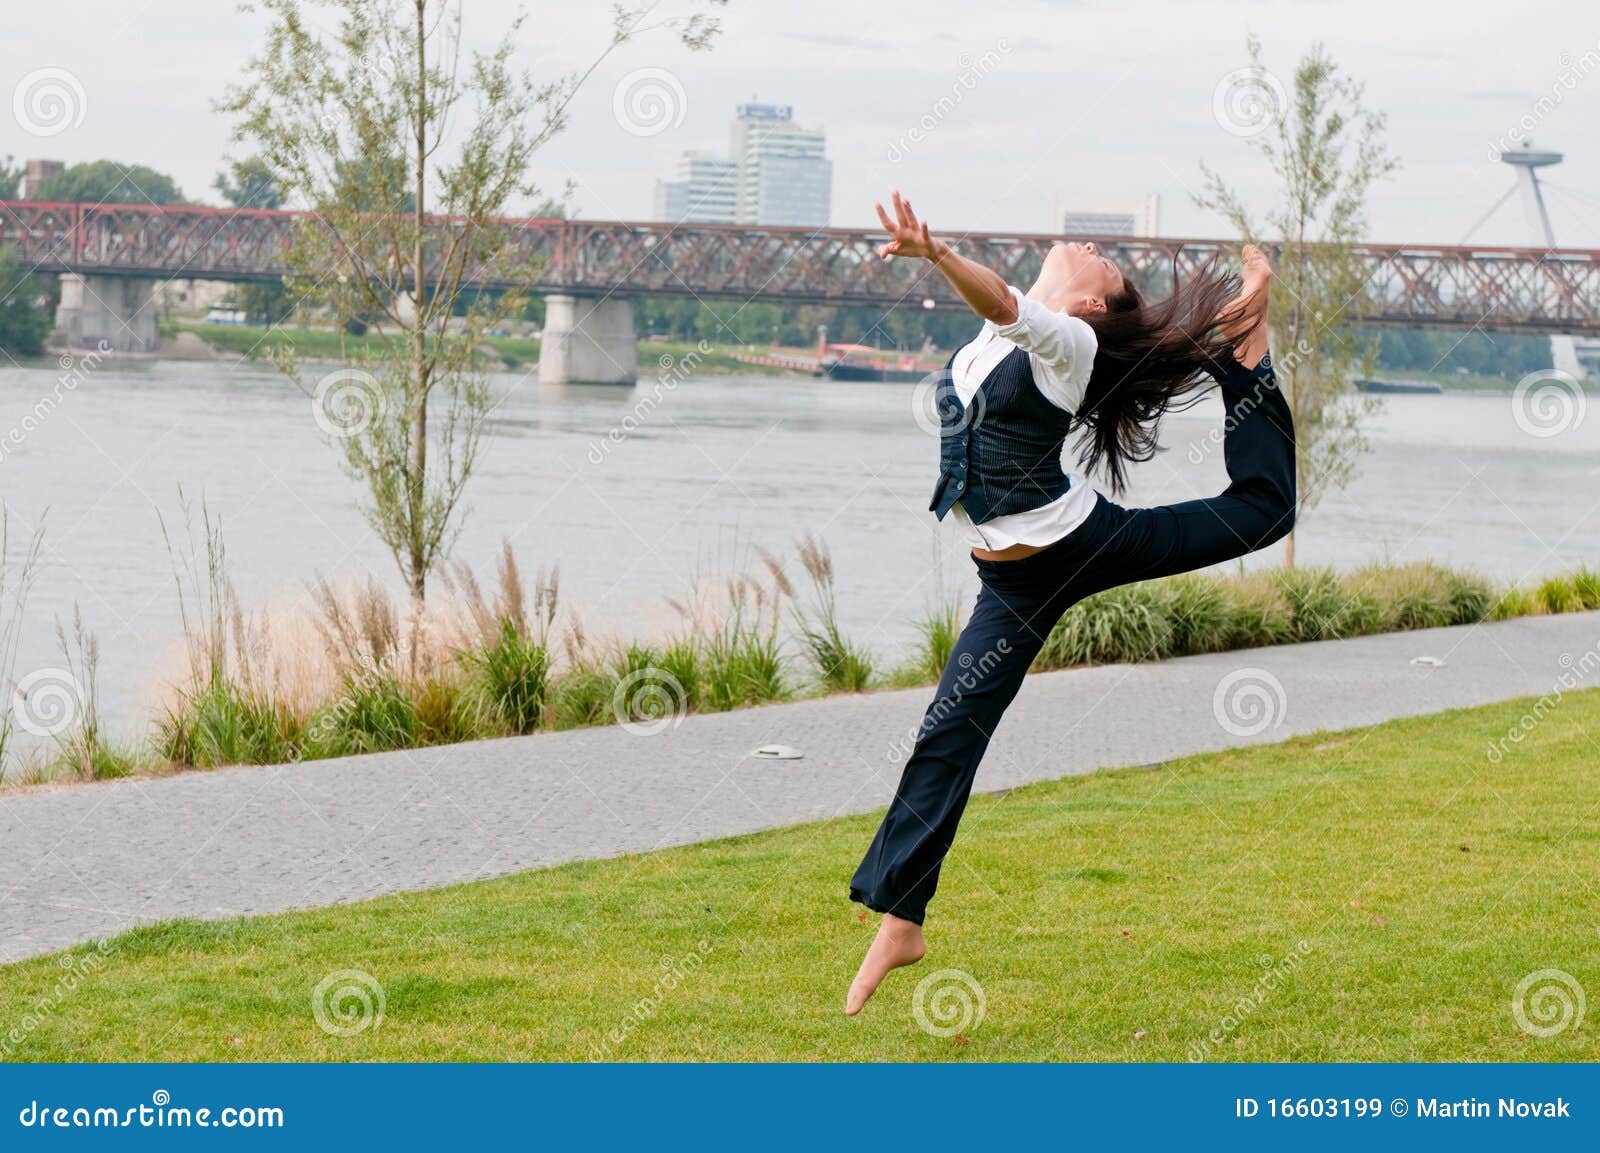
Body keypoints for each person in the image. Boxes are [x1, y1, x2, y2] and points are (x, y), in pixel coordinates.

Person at [845, 192, 1295, 1015]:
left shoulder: (1068, 343)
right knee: (948, 729)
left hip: (1075, 543)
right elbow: (1000, 316)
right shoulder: (997, 342)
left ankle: (1249, 359)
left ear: (1088, 304)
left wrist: (938, 254)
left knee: (1265, 511)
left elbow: (1003, 303)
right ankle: (902, 917)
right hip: (1011, 576)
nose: (1092, 245)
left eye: (1106, 263)